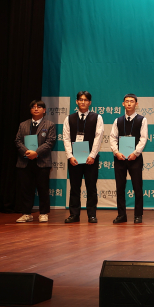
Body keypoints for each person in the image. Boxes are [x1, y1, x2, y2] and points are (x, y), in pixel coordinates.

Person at [63, 91, 104, 223]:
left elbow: (98, 137)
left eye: (85, 100)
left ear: (90, 102)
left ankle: (91, 214)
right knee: (74, 187)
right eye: (80, 99)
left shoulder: (97, 117)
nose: (83, 102)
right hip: (74, 159)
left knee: (91, 188)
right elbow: (66, 138)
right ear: (76, 101)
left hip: (90, 159)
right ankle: (74, 214)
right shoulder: (69, 118)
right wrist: (70, 156)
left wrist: (92, 155)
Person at [14, 100, 56, 223]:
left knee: (43, 188)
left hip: (42, 161)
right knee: (26, 189)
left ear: (44, 110)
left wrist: (36, 153)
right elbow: (17, 141)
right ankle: (27, 213)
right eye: (33, 107)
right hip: (25, 161)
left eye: (39, 107)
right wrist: (27, 152)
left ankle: (43, 213)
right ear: (30, 110)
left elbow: (50, 142)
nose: (36, 109)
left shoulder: (49, 125)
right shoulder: (23, 125)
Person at [109, 94, 148, 224]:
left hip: (135, 158)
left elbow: (143, 138)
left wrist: (135, 153)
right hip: (120, 158)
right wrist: (116, 152)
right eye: (127, 101)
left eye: (132, 101)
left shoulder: (142, 120)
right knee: (120, 187)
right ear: (123, 104)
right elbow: (113, 138)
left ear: (136, 104)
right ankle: (121, 215)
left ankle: (138, 215)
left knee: (137, 187)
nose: (129, 103)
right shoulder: (118, 120)